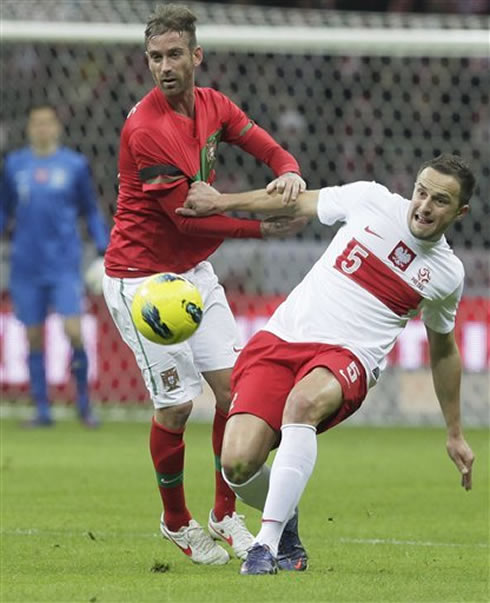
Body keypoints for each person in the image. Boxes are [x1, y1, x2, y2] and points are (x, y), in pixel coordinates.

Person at [179, 153, 477, 574]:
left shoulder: (446, 274)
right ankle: (285, 516)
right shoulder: (370, 200)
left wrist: (455, 432)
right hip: (282, 340)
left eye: (440, 201)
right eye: (421, 192)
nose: (424, 206)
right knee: (237, 465)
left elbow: (444, 349)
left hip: (349, 356)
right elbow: (293, 201)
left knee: (301, 404)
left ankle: (264, 545)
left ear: (460, 211)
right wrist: (221, 202)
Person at [102, 3, 306, 566]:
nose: (163, 66)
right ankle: (177, 523)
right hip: (142, 281)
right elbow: (185, 217)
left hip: (194, 273)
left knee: (235, 396)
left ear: (196, 56)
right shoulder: (146, 129)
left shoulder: (214, 105)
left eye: (173, 55)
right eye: (153, 57)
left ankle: (222, 513)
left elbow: (263, 144)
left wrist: (286, 166)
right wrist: (260, 226)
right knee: (175, 406)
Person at [0, 104, 109, 427]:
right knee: (33, 335)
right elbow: (5, 211)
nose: (42, 129)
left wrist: (104, 245)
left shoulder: (75, 165)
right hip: (26, 263)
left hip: (64, 262)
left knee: (73, 331)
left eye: (48, 123)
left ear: (57, 128)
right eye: (36, 123)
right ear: (30, 128)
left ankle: (84, 406)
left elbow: (89, 209)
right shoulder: (14, 165)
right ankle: (42, 410)